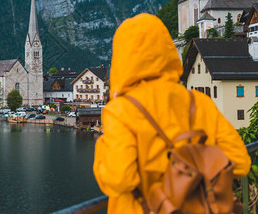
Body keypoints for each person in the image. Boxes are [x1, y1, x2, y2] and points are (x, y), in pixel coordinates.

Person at [93, 13, 251, 213]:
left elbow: (118, 179)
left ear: (121, 58)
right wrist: (191, 166)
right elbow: (240, 162)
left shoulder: (120, 111)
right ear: (167, 50)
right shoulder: (198, 102)